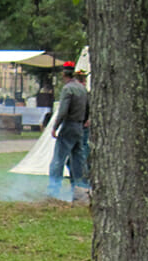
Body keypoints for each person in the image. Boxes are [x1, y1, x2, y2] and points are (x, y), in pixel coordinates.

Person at [47, 61, 90, 202]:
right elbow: (88, 108)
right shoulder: (82, 89)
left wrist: (55, 126)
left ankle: (53, 191)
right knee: (78, 161)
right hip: (79, 127)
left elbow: (63, 110)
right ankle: (81, 191)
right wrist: (84, 122)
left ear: (64, 74)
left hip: (69, 126)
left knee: (58, 160)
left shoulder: (68, 89)